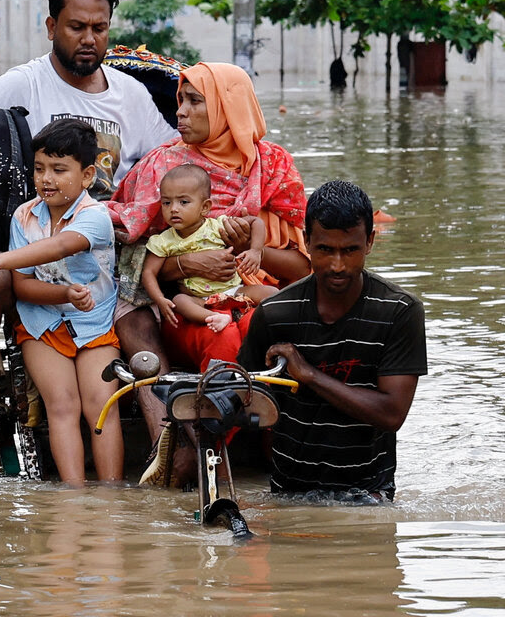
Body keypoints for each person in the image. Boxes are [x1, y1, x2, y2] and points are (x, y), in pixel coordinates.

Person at [0, 0, 175, 466]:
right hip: (34, 246)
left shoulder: (134, 96)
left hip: (114, 252)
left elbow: (175, 171)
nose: (88, 39)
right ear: (51, 26)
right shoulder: (20, 85)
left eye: (99, 28)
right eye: (75, 27)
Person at [106, 61, 310, 478]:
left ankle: (280, 465)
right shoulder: (163, 168)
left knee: (264, 325)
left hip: (253, 300)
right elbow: (127, 261)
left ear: (227, 107)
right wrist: (185, 263)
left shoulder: (272, 167)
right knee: (230, 336)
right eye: (179, 100)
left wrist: (251, 252)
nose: (179, 111)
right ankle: (205, 447)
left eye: (194, 101)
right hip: (190, 310)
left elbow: (304, 270)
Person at [0, 120, 123, 483]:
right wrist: (63, 293)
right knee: (62, 407)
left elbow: (59, 246)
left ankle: (111, 495)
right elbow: (24, 287)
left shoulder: (96, 218)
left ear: (87, 175)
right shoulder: (24, 217)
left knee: (101, 407)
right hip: (43, 322)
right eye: (39, 169)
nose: (47, 179)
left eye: (60, 170)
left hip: (95, 323)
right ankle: (72, 499)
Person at [237, 180, 427, 501]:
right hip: (289, 495)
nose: (337, 265)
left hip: (369, 496)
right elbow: (244, 393)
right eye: (325, 249)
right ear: (307, 242)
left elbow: (392, 414)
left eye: (349, 250)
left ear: (369, 242)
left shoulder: (399, 312)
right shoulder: (274, 313)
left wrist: (308, 375)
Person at [141, 163, 274, 336]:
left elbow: (256, 222)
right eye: (167, 202)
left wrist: (255, 251)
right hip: (199, 299)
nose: (174, 209)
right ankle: (213, 317)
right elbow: (148, 272)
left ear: (205, 207)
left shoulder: (218, 226)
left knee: (271, 293)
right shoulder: (163, 241)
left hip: (233, 291)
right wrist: (160, 299)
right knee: (180, 301)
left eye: (183, 202)